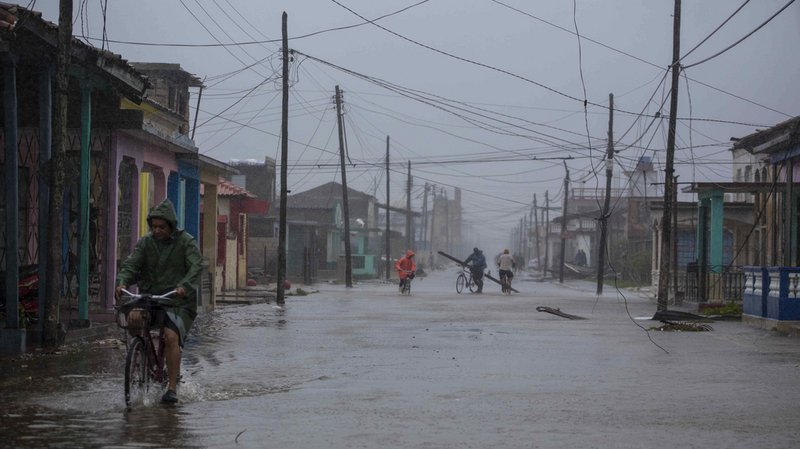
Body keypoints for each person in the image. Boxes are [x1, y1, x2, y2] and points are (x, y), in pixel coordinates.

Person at [115, 199, 202, 404]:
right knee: (133, 319)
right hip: (150, 297)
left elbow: (196, 267)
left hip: (177, 301)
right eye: (153, 227)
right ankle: (141, 353)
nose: (157, 231)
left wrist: (184, 286)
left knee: (171, 336)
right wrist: (121, 282)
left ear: (171, 225)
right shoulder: (145, 243)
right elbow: (130, 265)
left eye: (161, 227)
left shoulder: (186, 242)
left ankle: (171, 389)